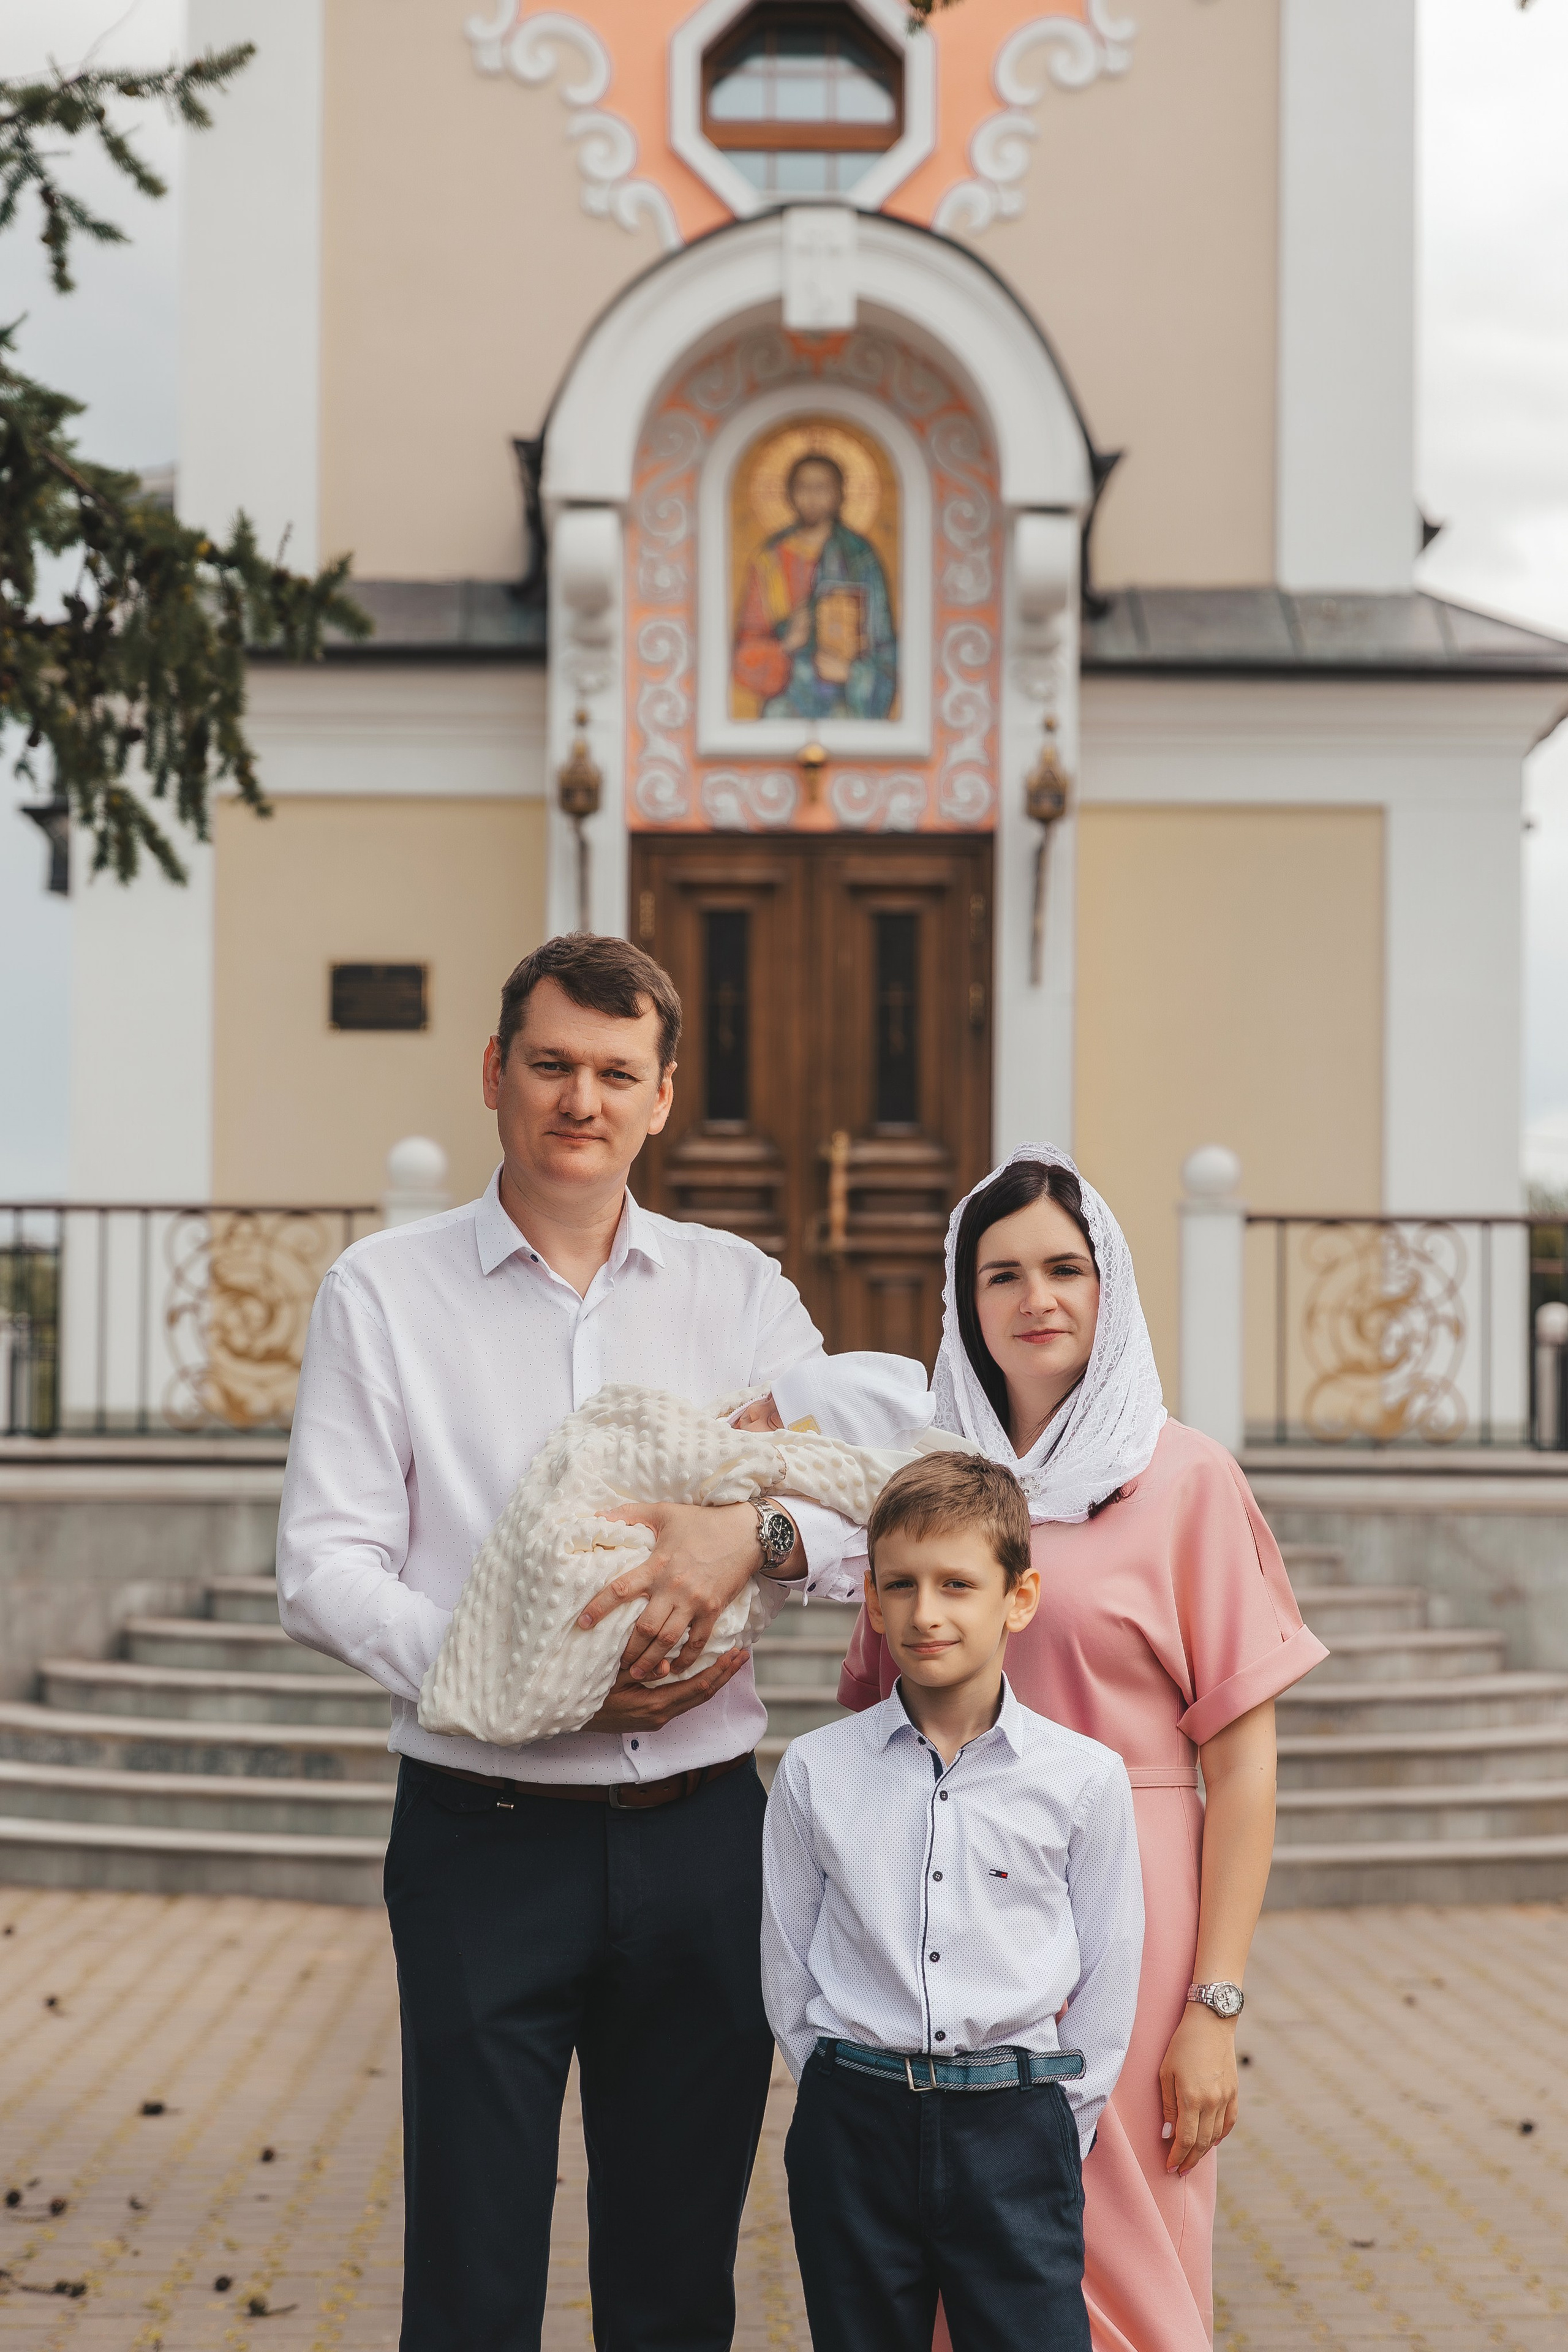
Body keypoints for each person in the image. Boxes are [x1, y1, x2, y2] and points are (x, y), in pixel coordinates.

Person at [276, 932, 869, 2352]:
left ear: (661, 1097)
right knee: (472, 2281)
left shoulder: (738, 1291)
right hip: (482, 1833)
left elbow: (869, 1499)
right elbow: (322, 1565)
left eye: (615, 1072)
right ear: (495, 1072)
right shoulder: (381, 1291)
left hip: (702, 1836)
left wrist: (756, 1540)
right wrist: (516, 1668)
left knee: (674, 2284)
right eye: (550, 1064)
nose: (579, 1099)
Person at [838, 1146, 1330, 2352]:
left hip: (1132, 1935)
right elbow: (865, 1735)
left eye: (1064, 1267)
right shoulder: (921, 1489)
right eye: (999, 1274)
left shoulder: (1185, 1480)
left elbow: (1244, 1765)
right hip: (952, 1927)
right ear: (964, 1303)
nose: (1034, 1299)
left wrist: (1211, 2006)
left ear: (1106, 1288)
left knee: (1129, 2272)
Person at [763, 1451, 1144, 2352]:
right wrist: (838, 2086)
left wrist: (1055, 2121)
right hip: (855, 2124)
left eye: (957, 1584)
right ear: (872, 1600)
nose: (925, 1612)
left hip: (1015, 2126)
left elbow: (1110, 1978)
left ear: (1018, 1596)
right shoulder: (817, 1771)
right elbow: (788, 1968)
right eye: (900, 1584)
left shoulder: (1083, 1781)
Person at [731, 451, 897, 719]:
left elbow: (885, 648)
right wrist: (786, 646)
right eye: (803, 488)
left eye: (822, 488)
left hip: (848, 705)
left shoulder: (861, 559)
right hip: (786, 704)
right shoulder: (770, 560)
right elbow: (745, 652)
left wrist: (851, 673)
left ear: (840, 495)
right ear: (789, 495)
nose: (812, 497)